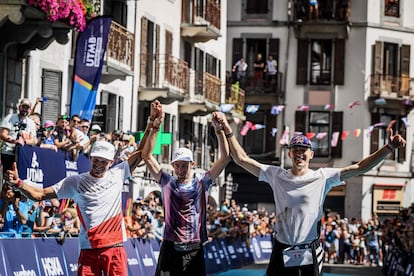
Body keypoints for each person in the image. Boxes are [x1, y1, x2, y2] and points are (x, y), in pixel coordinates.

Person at [215, 113, 406, 276]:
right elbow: (241, 159)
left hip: (309, 250)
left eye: (303, 151)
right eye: (295, 150)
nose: (299, 154)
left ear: (311, 155)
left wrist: (387, 148)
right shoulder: (276, 175)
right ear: (289, 154)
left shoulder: (323, 177)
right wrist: (225, 128)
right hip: (281, 248)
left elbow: (359, 167)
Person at [5, 100, 162, 275]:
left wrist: (152, 124)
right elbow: (39, 194)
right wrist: (18, 183)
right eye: (96, 160)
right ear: (90, 158)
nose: (99, 165)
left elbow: (141, 154)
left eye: (104, 162)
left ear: (111, 163)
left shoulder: (117, 174)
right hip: (88, 251)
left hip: (115, 249)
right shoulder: (75, 182)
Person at [141, 108, 230, 275]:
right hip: (170, 246)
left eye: (185, 165)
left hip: (194, 247)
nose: (181, 169)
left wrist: (219, 130)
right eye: (178, 165)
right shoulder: (167, 181)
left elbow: (225, 157)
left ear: (192, 165)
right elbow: (146, 156)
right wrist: (156, 126)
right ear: (173, 166)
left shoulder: (202, 182)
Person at [0, 98, 37, 172]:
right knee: (8, 176)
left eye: (27, 108)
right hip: (8, 152)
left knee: (20, 178)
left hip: (23, 154)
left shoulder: (31, 123)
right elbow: (3, 134)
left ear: (30, 109)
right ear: (19, 107)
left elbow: (33, 140)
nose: (25, 109)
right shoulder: (10, 118)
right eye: (23, 107)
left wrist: (24, 142)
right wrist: (13, 141)